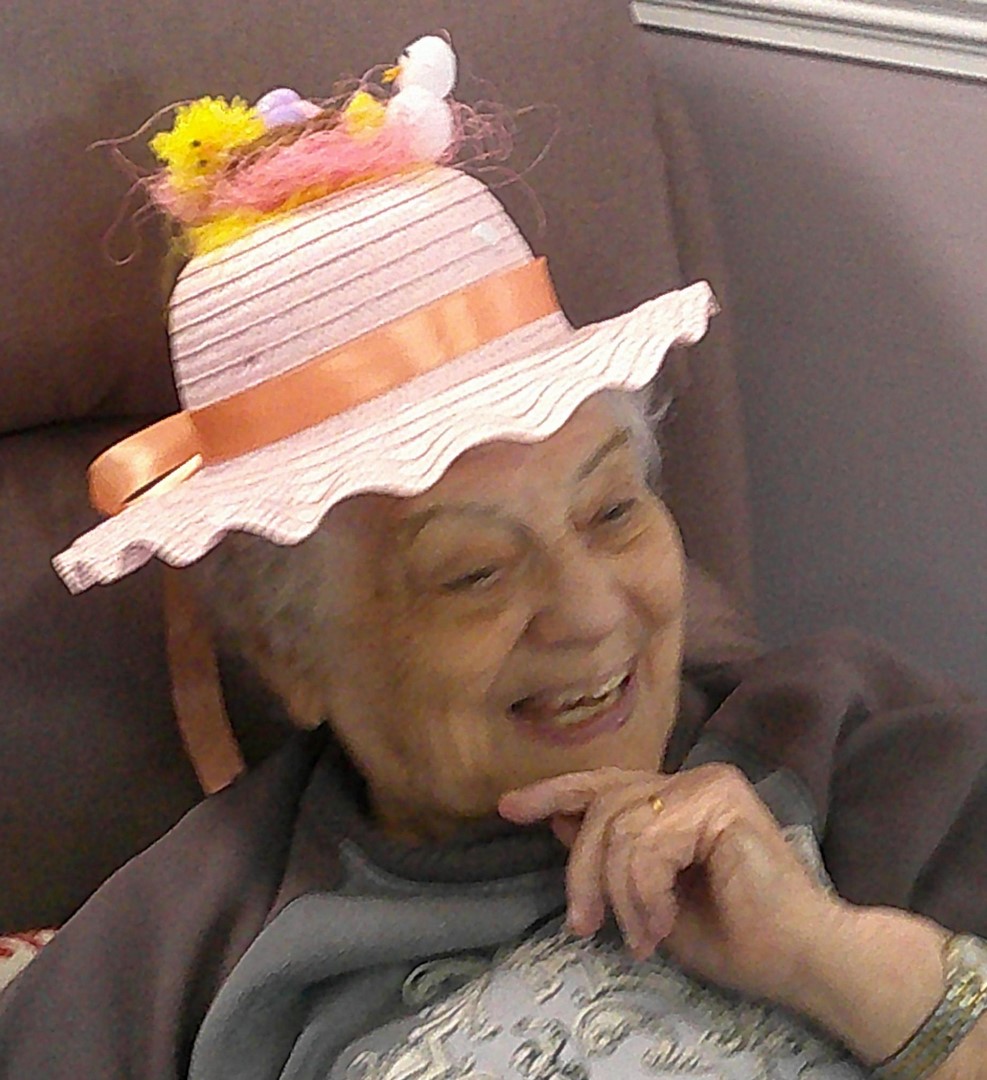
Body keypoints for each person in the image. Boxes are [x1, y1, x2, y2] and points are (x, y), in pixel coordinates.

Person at [2, 32, 987, 1080]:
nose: (592, 612)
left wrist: (838, 963)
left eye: (612, 511)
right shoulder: (181, 945)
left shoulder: (852, 740)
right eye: (474, 573)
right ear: (292, 655)